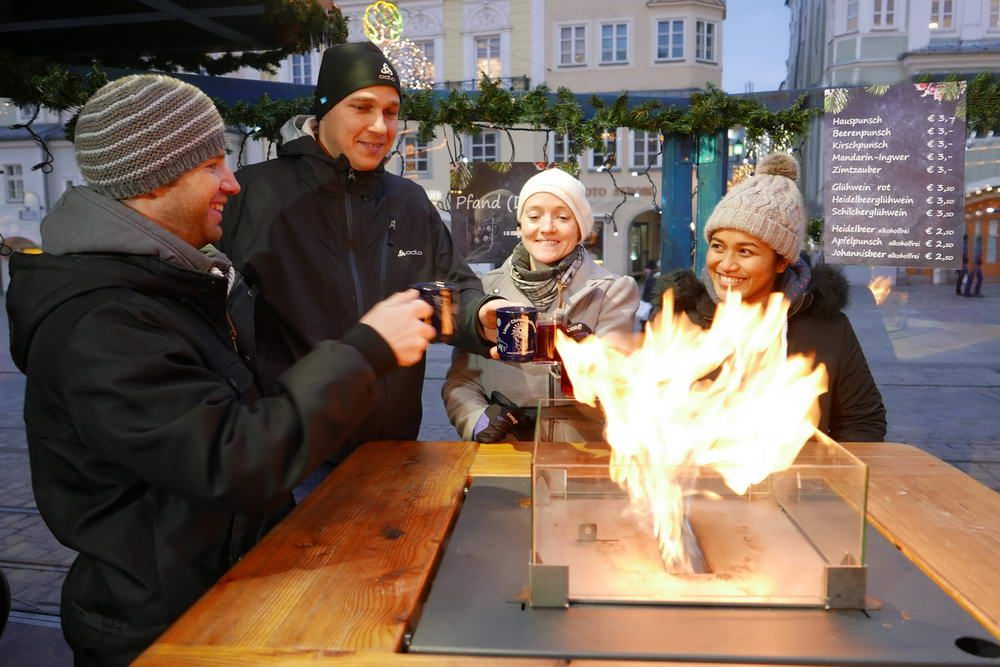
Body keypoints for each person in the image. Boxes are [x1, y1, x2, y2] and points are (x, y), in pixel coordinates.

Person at [5, 74, 436, 666]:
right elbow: (232, 458)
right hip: (165, 632)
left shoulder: (173, 281)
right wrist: (364, 350)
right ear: (154, 175)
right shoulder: (103, 320)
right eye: (211, 165)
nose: (232, 183)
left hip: (226, 589)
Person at [220, 42, 504, 476]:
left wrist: (481, 315)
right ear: (324, 109)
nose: (380, 126)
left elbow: (452, 288)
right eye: (362, 107)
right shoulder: (256, 194)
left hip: (395, 451)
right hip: (297, 459)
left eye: (391, 112)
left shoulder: (408, 200)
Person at [652, 153, 886, 443]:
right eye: (718, 246)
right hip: (696, 484)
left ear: (781, 262)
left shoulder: (828, 328)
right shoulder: (679, 317)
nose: (725, 264)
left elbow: (862, 422)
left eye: (745, 251)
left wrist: (823, 479)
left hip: (798, 482)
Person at [443, 168, 639, 442]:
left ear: (581, 227)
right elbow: (461, 381)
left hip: (578, 453)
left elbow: (617, 396)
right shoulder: (485, 290)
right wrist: (476, 420)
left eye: (562, 217)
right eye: (534, 216)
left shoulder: (611, 292)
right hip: (504, 452)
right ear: (521, 224)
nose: (547, 227)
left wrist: (588, 364)